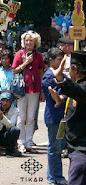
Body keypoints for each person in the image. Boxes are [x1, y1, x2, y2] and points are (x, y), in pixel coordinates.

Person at [48, 51, 86, 185]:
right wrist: (60, 98)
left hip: (82, 151)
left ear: (75, 69)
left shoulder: (82, 87)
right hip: (76, 148)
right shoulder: (80, 85)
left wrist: (61, 79)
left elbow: (79, 92)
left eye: (69, 68)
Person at [12, 30, 45, 153]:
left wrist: (42, 90)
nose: (28, 42)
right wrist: (26, 63)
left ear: (35, 42)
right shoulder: (19, 54)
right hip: (22, 88)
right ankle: (21, 142)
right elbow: (14, 70)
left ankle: (29, 142)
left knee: (31, 117)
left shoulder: (39, 56)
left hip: (35, 88)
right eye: (26, 40)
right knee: (21, 116)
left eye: (31, 40)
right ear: (23, 42)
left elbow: (41, 72)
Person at [41, 48, 67, 185]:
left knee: (59, 147)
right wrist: (60, 97)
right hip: (54, 117)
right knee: (54, 148)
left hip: (62, 117)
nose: (61, 62)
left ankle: (54, 176)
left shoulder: (62, 76)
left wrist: (62, 96)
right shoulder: (48, 77)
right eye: (59, 59)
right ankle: (55, 177)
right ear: (50, 60)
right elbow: (55, 94)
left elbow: (68, 89)